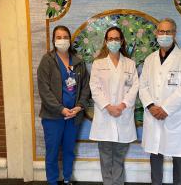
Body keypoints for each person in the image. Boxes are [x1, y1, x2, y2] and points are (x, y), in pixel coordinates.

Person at [139, 18, 181, 185]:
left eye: (168, 32)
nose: (164, 35)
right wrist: (151, 106)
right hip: (153, 114)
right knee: (155, 153)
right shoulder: (150, 59)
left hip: (173, 115)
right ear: (156, 33)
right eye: (161, 32)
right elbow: (143, 86)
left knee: (178, 154)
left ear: (174, 34)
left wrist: (165, 108)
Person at [37, 25, 90, 185]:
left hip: (74, 116)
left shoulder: (78, 62)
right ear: (53, 40)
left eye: (65, 37)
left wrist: (79, 106)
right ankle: (52, 181)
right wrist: (61, 109)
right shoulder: (47, 61)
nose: (62, 40)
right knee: (52, 152)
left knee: (68, 150)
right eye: (58, 37)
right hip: (53, 116)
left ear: (70, 39)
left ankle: (67, 179)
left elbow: (86, 87)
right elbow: (44, 89)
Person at [89, 26, 139, 185]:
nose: (113, 41)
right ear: (105, 41)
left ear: (122, 41)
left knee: (118, 158)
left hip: (123, 115)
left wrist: (122, 105)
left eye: (117, 38)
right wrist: (108, 106)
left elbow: (134, 87)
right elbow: (94, 88)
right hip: (105, 116)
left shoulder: (130, 64)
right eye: (110, 39)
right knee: (105, 158)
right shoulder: (98, 64)